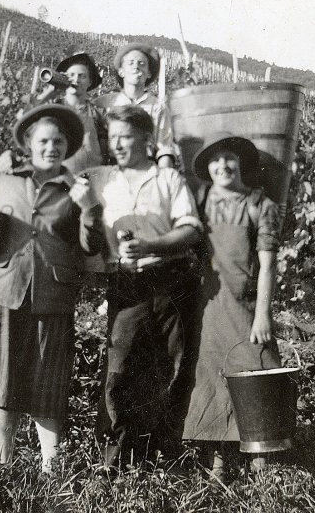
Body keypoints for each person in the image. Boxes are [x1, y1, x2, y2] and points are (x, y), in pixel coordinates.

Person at [0, 104, 103, 473]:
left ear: (69, 146)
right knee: (4, 382)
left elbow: (91, 246)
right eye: (44, 140)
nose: (51, 147)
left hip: (52, 292)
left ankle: (52, 471)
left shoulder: (76, 188)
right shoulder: (4, 177)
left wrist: (89, 208)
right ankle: (3, 467)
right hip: (2, 288)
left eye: (59, 141)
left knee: (48, 384)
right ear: (28, 144)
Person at [80, 105, 202, 470]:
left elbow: (191, 229)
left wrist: (152, 244)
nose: (117, 144)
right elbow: (87, 239)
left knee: (175, 365)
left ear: (147, 140)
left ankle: (166, 457)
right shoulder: (99, 179)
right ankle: (115, 463)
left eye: (126, 136)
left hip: (170, 281)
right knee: (119, 369)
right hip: (127, 284)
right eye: (112, 136)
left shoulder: (168, 180)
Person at [181, 132, 282, 481]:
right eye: (214, 160)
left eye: (229, 159)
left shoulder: (260, 205)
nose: (222, 165)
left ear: (241, 164)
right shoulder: (199, 200)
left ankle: (261, 453)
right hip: (210, 303)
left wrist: (263, 314)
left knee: (255, 366)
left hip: (247, 304)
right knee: (209, 373)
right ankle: (218, 456)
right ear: (207, 168)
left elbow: (268, 265)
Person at [0, 46, 108, 176]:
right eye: (71, 75)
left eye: (82, 76)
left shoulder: (97, 112)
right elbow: (22, 119)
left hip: (92, 179)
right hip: (59, 180)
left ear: (90, 82)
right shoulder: (53, 109)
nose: (76, 80)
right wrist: (49, 92)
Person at [94, 43, 175, 168]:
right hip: (112, 169)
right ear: (121, 71)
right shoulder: (104, 103)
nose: (136, 67)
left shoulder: (157, 107)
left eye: (142, 64)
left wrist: (161, 180)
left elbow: (164, 150)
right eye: (130, 63)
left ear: (148, 73)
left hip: (146, 167)